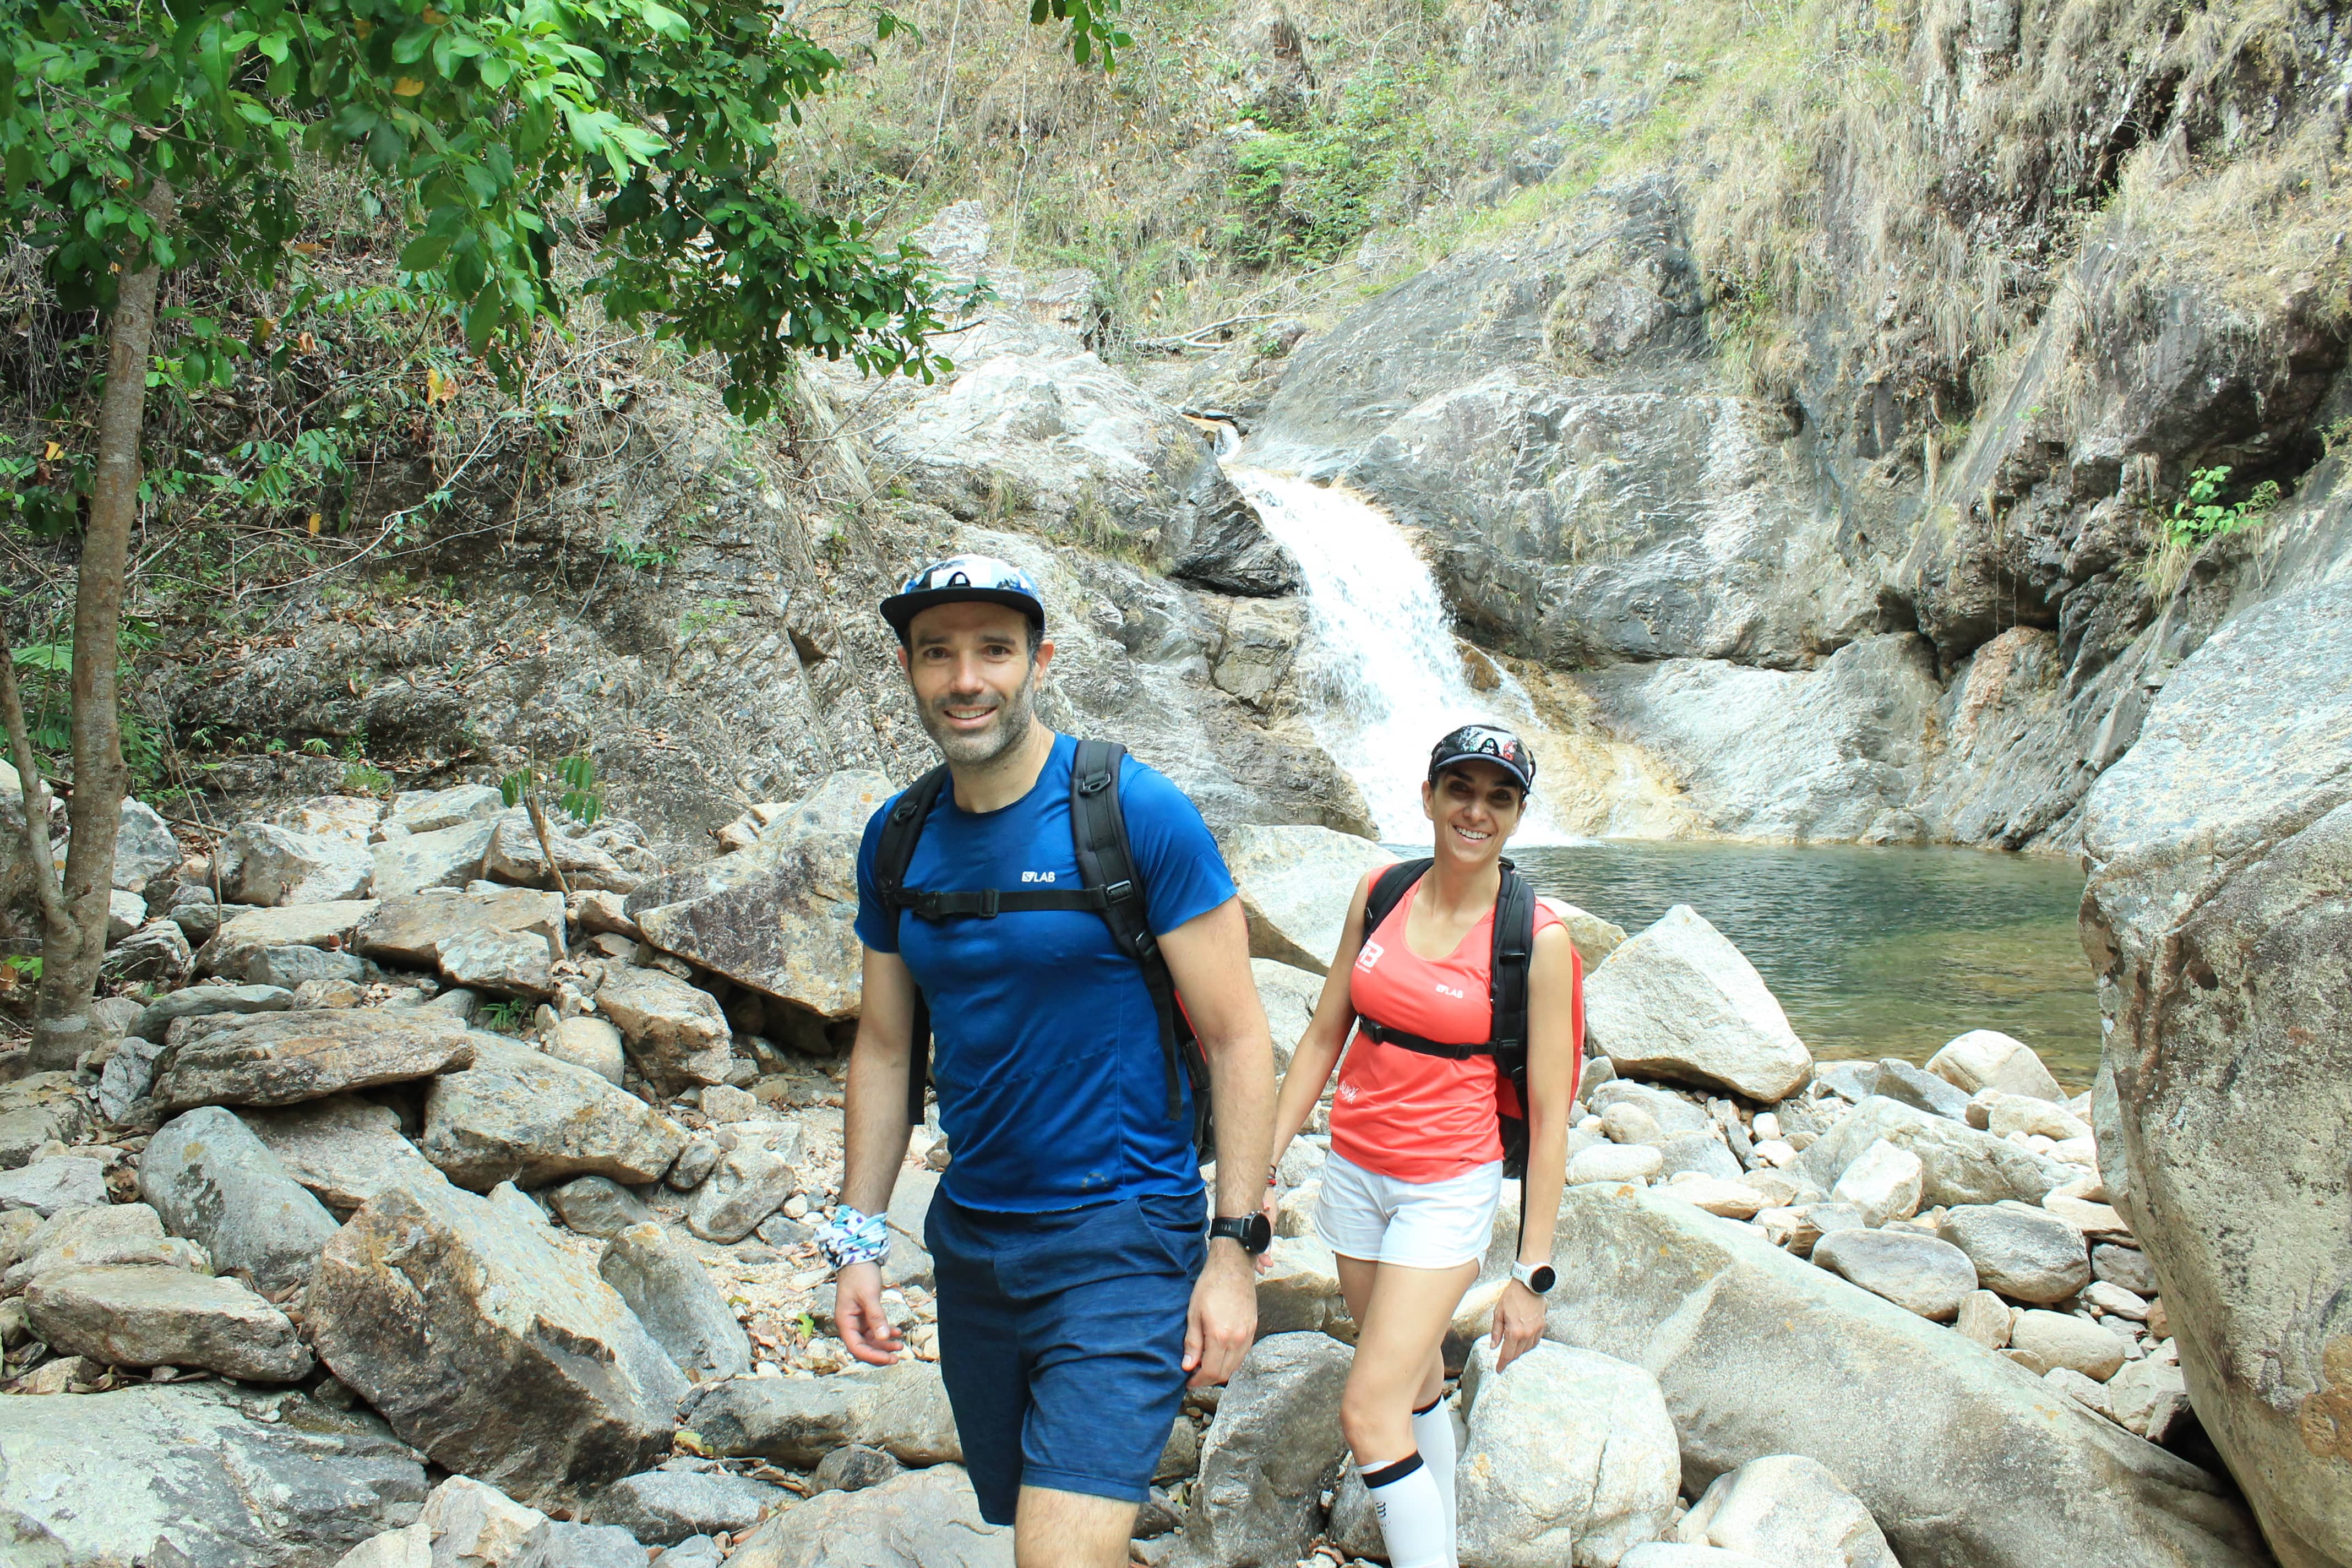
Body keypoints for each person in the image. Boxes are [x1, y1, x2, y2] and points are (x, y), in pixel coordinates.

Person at [819, 553, 1277, 1568]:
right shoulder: (898, 839)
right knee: (1050, 1527)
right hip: (975, 1247)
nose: (966, 679)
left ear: (1039, 662)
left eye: (994, 650)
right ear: (908, 670)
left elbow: (1243, 1037)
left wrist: (1234, 1250)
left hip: (1124, 1237)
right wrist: (857, 1242)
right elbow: (887, 1048)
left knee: (1054, 1556)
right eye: (939, 654)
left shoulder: (1132, 813)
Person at [1261, 723, 1583, 1568]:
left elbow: (1552, 1117)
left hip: (1446, 1189)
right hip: (1355, 1172)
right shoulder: (1382, 889)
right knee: (1409, 1385)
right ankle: (1441, 1541)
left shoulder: (1539, 942)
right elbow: (1325, 1033)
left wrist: (1530, 1274)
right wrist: (1259, 1166)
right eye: (1460, 791)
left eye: (1498, 798)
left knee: (1368, 1412)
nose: (1475, 811)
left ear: (1517, 816)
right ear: (1431, 795)